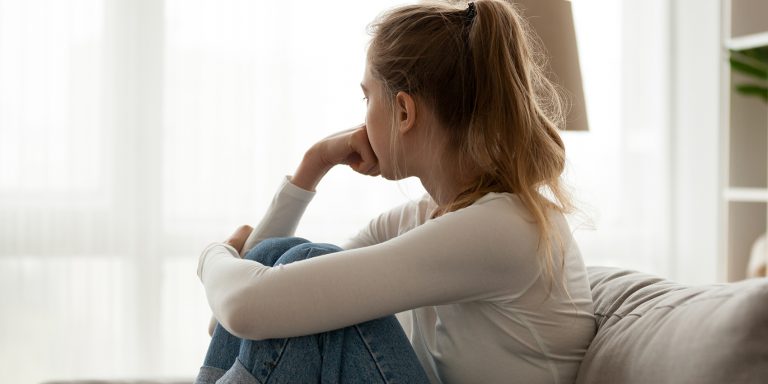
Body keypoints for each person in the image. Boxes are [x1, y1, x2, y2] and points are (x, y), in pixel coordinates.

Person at [194, 1, 596, 383]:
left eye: (367, 97)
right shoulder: (426, 217)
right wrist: (314, 163)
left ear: (404, 112)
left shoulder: (504, 228)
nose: (362, 117)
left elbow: (245, 306)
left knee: (304, 262)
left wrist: (213, 255)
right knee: (284, 259)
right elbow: (237, 316)